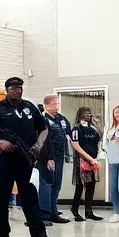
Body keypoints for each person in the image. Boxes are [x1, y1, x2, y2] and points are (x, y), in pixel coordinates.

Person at [0, 77, 57, 237]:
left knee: (30, 199)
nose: (17, 90)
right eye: (13, 88)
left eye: (20, 87)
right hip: (2, 161)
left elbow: (43, 128)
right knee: (2, 200)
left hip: (24, 160)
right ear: (6, 90)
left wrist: (39, 144)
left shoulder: (29, 107)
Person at [36, 94, 71, 225]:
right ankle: (44, 214)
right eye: (53, 105)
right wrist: (49, 158)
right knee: (47, 185)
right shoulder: (41, 120)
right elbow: (43, 141)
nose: (56, 107)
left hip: (60, 157)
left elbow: (68, 131)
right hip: (46, 158)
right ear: (46, 105)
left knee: (57, 185)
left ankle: (53, 212)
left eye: (57, 104)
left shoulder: (60, 119)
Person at [68, 107, 103, 222]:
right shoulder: (76, 129)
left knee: (91, 185)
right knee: (80, 186)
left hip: (92, 160)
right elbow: (76, 146)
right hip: (81, 161)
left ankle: (89, 211)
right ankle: (75, 209)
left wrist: (95, 158)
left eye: (89, 114)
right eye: (85, 114)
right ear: (80, 115)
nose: (88, 116)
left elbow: (98, 141)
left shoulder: (93, 130)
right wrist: (88, 158)